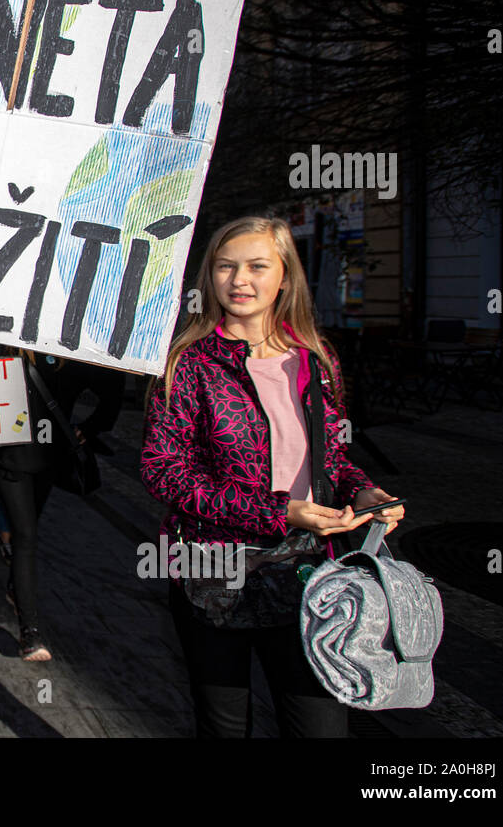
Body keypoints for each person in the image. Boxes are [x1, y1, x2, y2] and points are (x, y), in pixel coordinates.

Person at [140, 215, 405, 738]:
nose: (240, 279)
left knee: (320, 725)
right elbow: (163, 470)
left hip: (311, 575)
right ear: (209, 277)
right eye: (225, 266)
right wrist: (278, 511)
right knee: (224, 726)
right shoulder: (186, 363)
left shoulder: (316, 361)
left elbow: (331, 459)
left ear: (284, 276)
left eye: (257, 266)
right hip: (213, 572)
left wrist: (364, 491)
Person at [0, 348, 76, 662]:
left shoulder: (66, 351)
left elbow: (109, 390)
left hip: (47, 459)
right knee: (26, 537)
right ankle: (30, 631)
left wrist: (88, 429)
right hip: (11, 459)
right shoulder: (0, 349)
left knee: (29, 531)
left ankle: (16, 588)